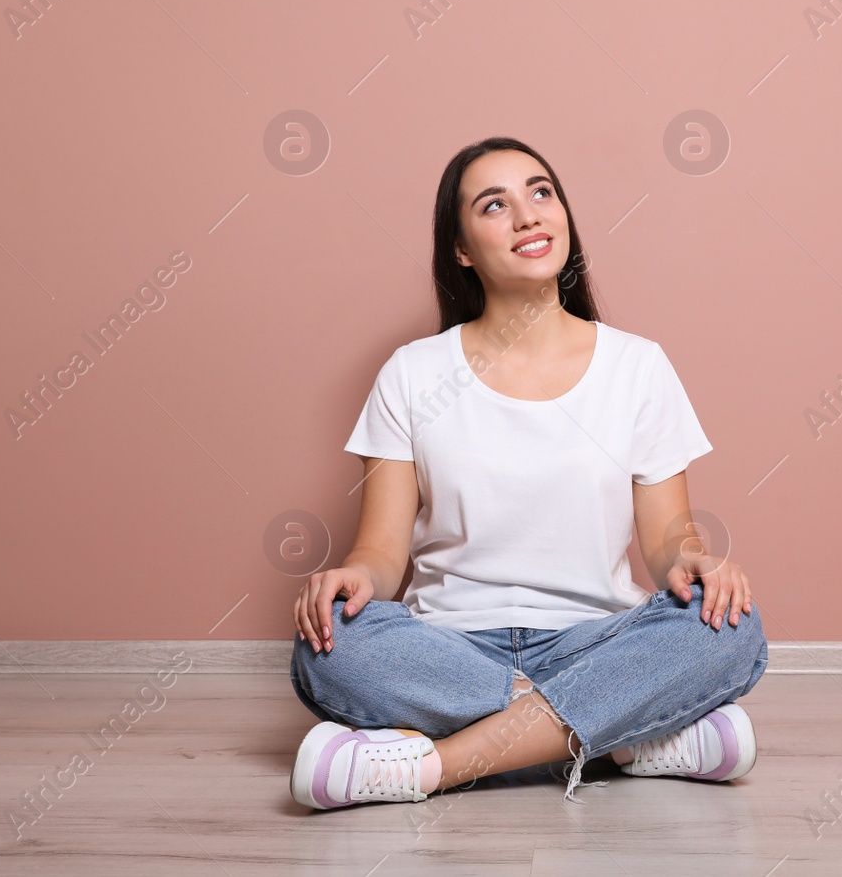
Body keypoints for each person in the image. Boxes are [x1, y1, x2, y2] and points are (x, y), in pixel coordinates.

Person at [289, 136, 767, 811]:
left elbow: (669, 538)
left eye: (541, 192)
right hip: (451, 647)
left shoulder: (638, 366)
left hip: (596, 638)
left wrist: (698, 562)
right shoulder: (412, 373)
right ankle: (629, 736)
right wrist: (353, 579)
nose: (528, 215)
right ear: (460, 248)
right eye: (494, 204)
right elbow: (381, 552)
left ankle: (430, 767)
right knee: (330, 642)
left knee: (731, 626)